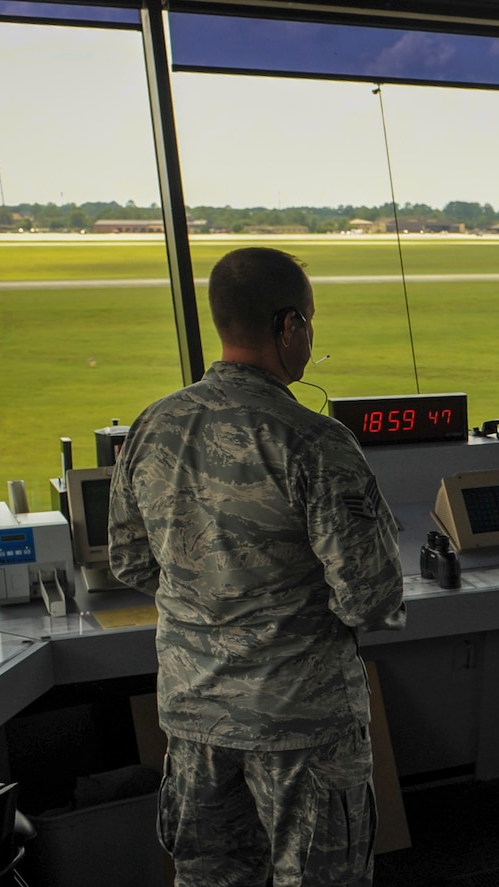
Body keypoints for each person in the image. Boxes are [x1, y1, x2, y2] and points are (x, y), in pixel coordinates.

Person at [109, 247, 405, 887]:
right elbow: (370, 599)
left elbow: (131, 561)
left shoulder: (152, 426)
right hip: (302, 722)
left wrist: (214, 598)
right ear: (289, 326)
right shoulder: (316, 442)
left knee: (211, 877)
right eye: (310, 324)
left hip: (195, 716)